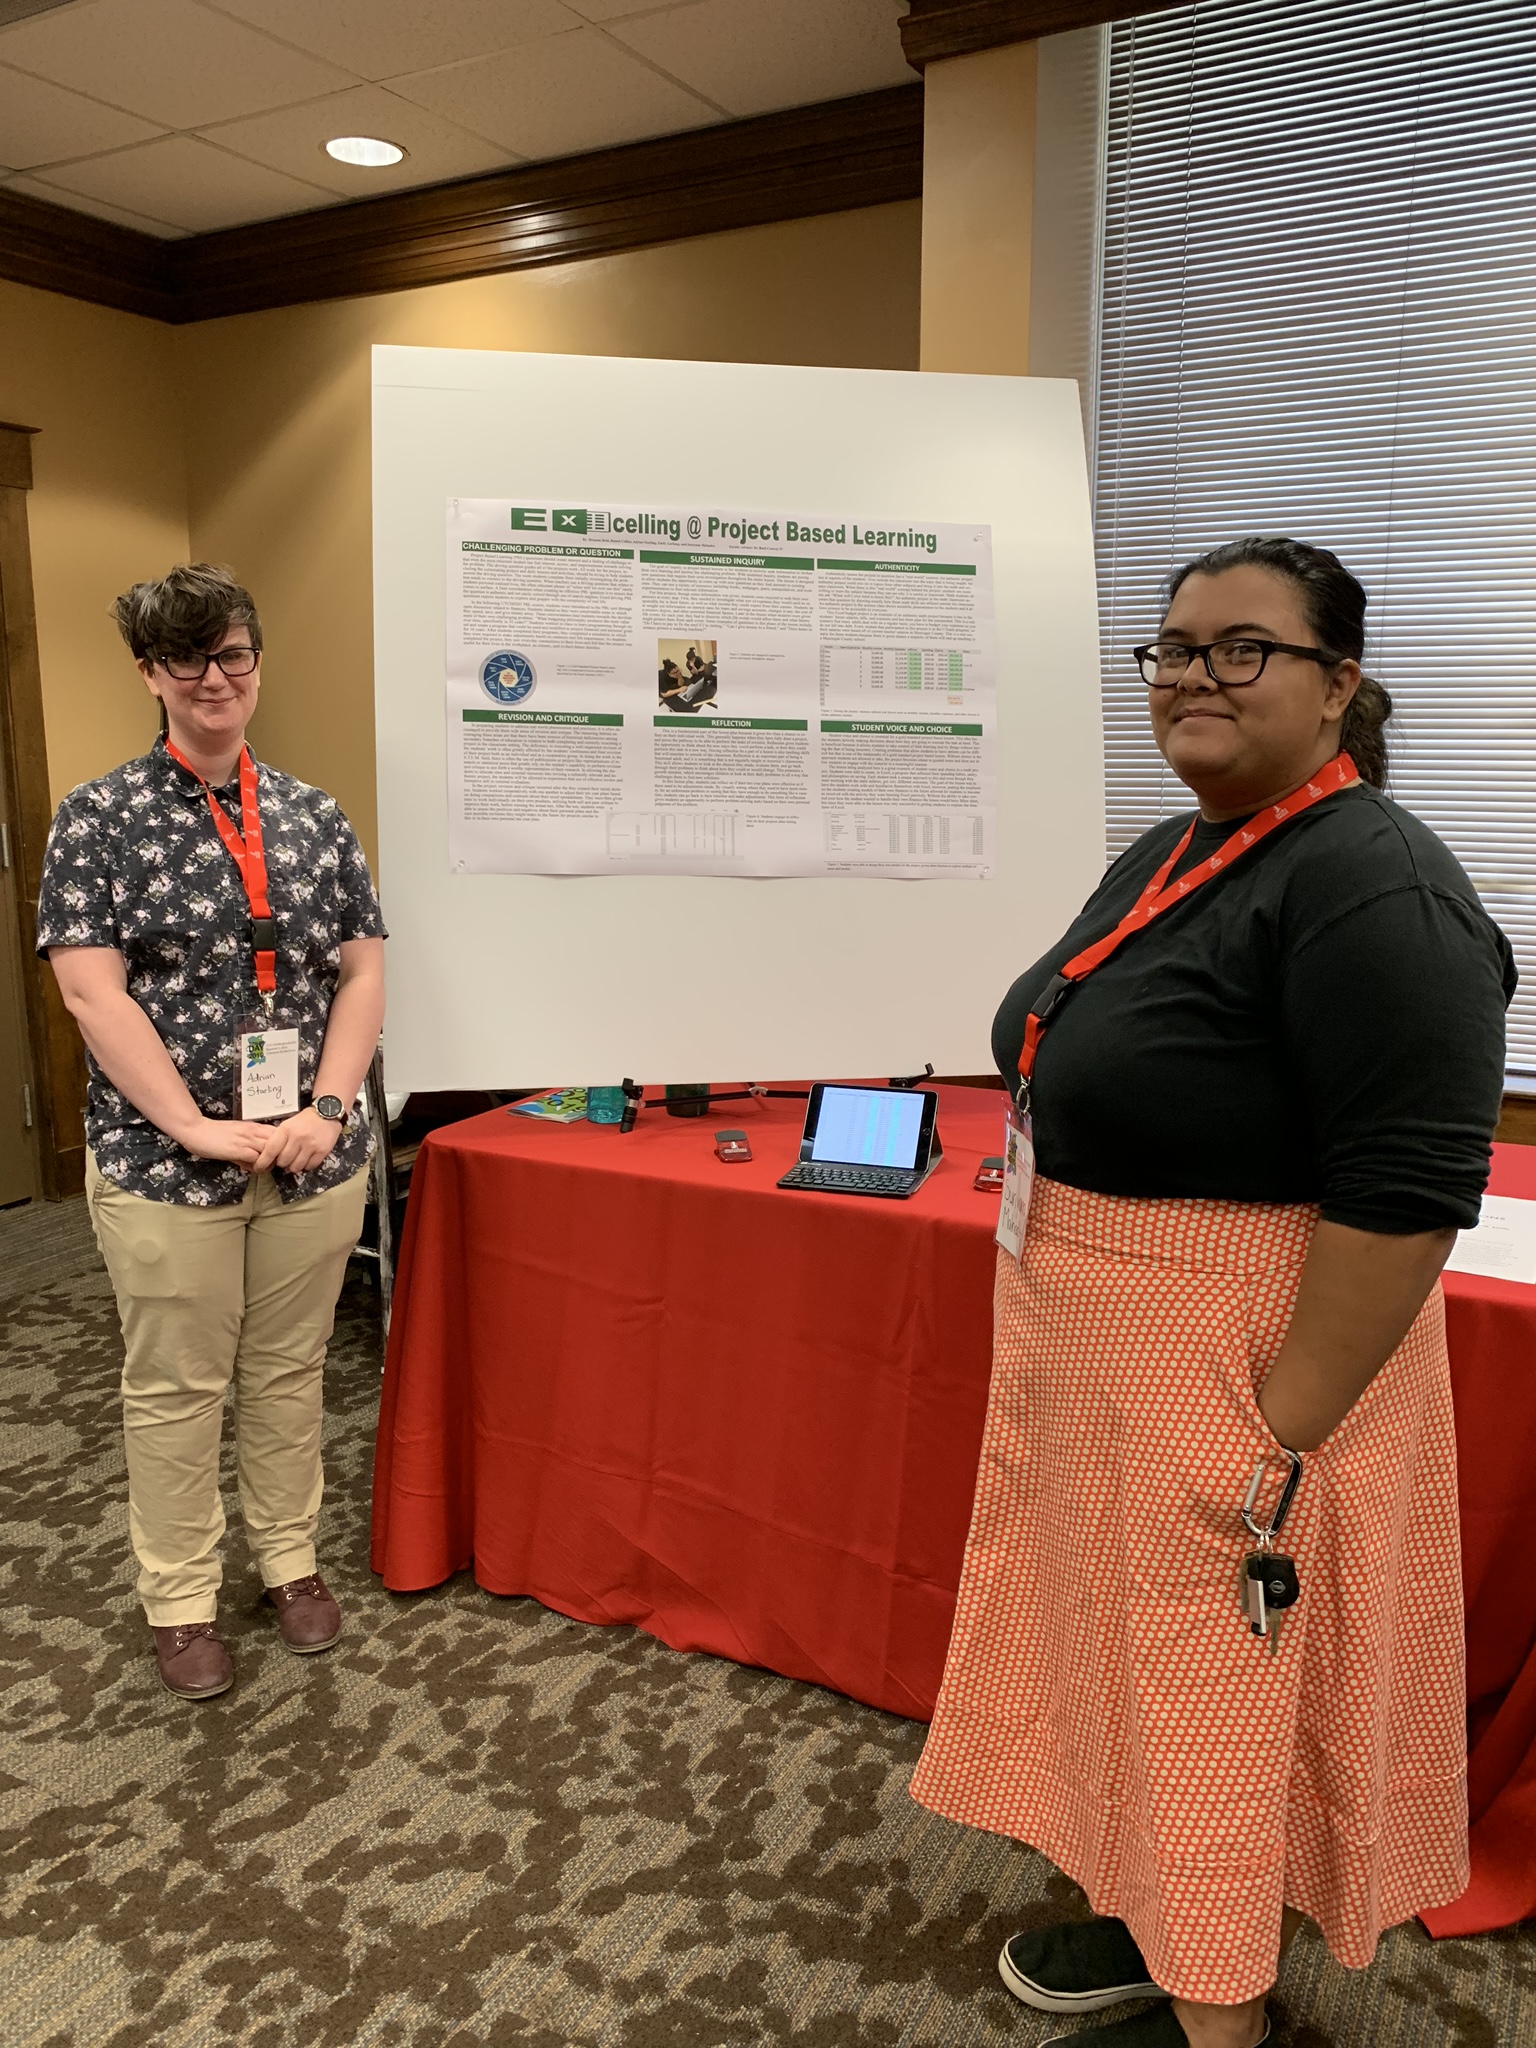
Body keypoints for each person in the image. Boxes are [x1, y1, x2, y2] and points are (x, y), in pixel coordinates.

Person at [909, 537, 1515, 2048]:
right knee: (1124, 1668)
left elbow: (1406, 1199)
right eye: (1174, 649)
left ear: (1339, 683)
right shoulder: (1184, 846)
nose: (1195, 674)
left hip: (1239, 1372)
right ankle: (1153, 1918)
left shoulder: (1378, 884)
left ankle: (1221, 2020)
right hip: (1111, 1352)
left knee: (1209, 1699)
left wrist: (1275, 1435)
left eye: (1244, 648)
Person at [37, 564, 387, 1703]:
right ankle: (180, 1596)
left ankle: (288, 1558)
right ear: (150, 673)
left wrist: (328, 1106)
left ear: (255, 660)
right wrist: (192, 1123)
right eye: (184, 659)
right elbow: (91, 991)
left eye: (230, 653)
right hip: (164, 1163)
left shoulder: (314, 815)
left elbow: (361, 969)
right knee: (178, 1388)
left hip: (310, 1157)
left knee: (289, 1371)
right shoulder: (98, 817)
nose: (212, 678)